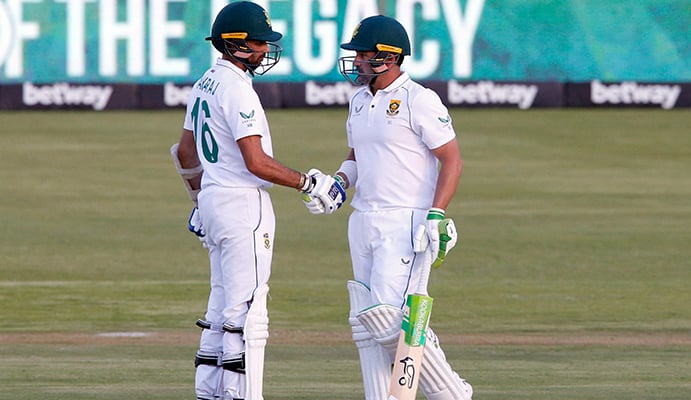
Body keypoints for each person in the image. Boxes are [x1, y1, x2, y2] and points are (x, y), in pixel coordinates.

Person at [170, 2, 345, 400]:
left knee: (219, 308)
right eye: (260, 42)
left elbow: (184, 153)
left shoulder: (204, 83)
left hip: (213, 202)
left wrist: (199, 202)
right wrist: (308, 183)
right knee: (243, 315)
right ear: (237, 46)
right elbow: (256, 161)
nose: (266, 50)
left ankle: (209, 392)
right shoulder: (237, 90)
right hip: (242, 205)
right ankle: (238, 395)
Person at [303, 15, 473, 400]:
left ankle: (451, 393)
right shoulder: (360, 99)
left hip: (406, 221)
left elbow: (452, 159)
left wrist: (437, 213)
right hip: (363, 218)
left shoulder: (420, 99)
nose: (356, 61)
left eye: (363, 54)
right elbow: (358, 154)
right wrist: (339, 183)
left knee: (389, 319)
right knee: (366, 323)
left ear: (388, 57)